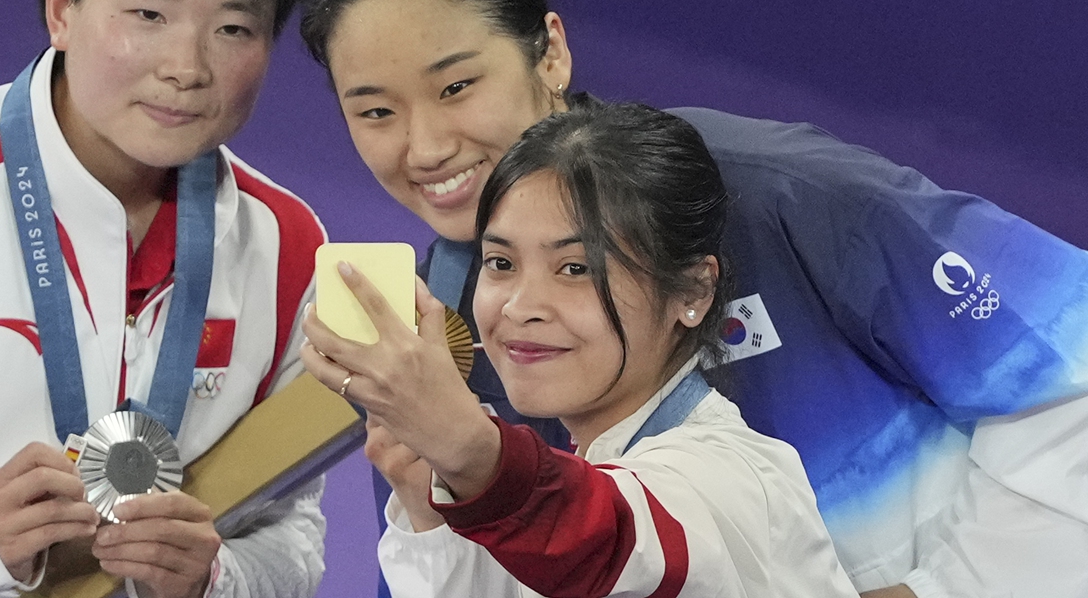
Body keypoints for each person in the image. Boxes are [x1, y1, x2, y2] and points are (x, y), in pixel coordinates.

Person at [299, 0, 1088, 598]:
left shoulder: (776, 187)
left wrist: (937, 591)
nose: (426, 146)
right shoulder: (457, 324)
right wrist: (423, 501)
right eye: (375, 112)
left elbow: (1070, 375)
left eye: (456, 87)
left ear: (550, 52)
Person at [0, 0, 327, 597]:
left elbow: (293, 533)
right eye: (150, 13)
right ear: (62, 8)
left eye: (235, 28)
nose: (187, 67)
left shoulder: (290, 245)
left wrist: (216, 577)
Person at [303, 103, 860, 597]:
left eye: (576, 268)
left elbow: (606, 542)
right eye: (501, 263)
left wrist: (467, 447)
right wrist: (428, 505)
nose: (520, 305)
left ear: (692, 291)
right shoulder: (587, 466)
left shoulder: (730, 477)